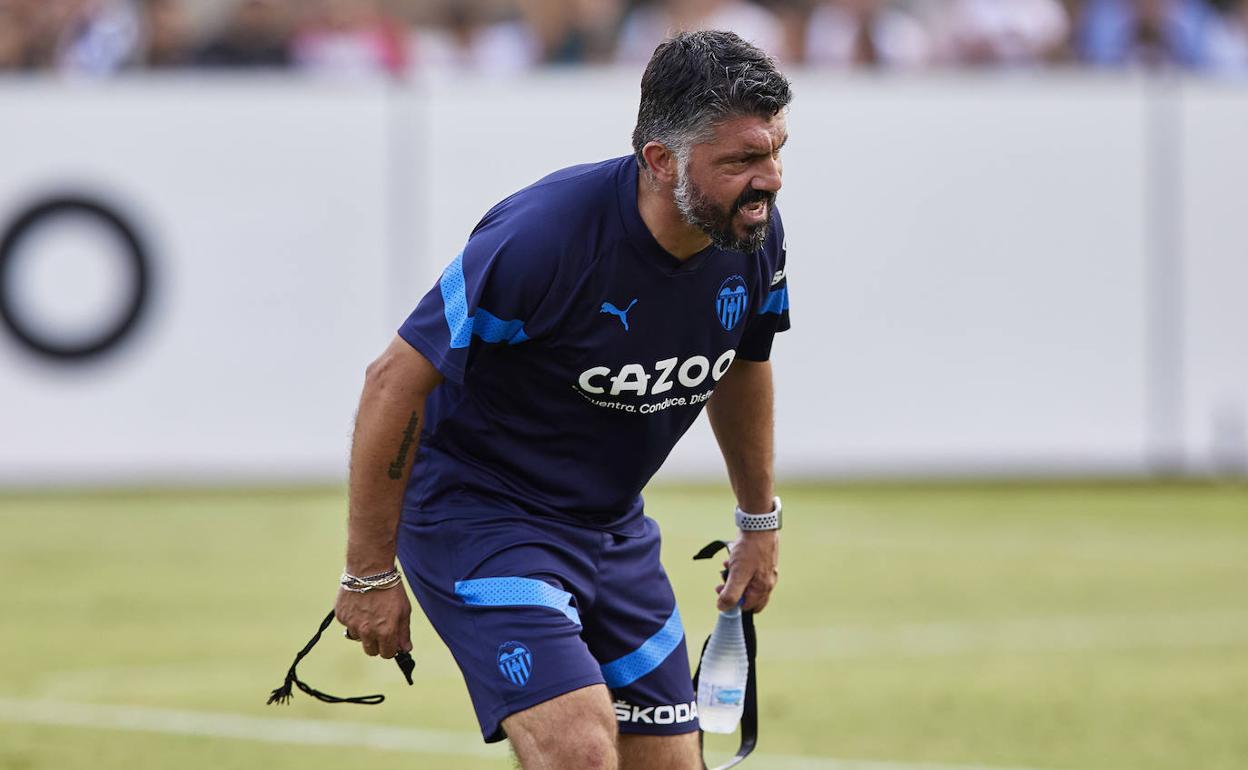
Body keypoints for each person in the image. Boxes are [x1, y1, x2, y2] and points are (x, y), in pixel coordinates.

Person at [334, 29, 791, 770]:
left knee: (672, 765)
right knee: (579, 749)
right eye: (741, 159)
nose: (769, 179)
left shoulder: (752, 238)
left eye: (775, 151)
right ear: (661, 161)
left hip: (611, 529)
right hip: (480, 513)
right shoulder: (543, 238)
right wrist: (368, 569)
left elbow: (743, 361)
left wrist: (758, 521)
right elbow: (393, 380)